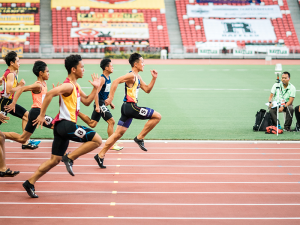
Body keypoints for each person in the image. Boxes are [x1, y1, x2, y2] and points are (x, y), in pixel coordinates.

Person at [22, 54, 102, 198]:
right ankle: (70, 158)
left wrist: (96, 88)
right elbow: (49, 94)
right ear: (73, 69)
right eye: (81, 67)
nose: (84, 70)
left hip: (61, 128)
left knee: (55, 160)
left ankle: (30, 182)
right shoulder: (68, 85)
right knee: (97, 140)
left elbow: (87, 101)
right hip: (66, 126)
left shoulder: (75, 85)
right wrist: (41, 115)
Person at [94, 53, 161, 169]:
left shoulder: (138, 77)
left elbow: (147, 89)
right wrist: (110, 98)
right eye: (142, 62)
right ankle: (140, 138)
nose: (144, 64)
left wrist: (154, 79)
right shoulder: (131, 76)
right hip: (131, 107)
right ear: (135, 64)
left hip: (127, 109)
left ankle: (100, 155)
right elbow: (115, 81)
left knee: (117, 135)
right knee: (157, 116)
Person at [3, 61, 55, 146]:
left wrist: (53, 93)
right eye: (47, 71)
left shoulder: (44, 83)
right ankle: (61, 153)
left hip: (35, 113)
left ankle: (1, 134)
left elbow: (43, 99)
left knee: (22, 139)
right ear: (41, 73)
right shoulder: (38, 85)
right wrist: (13, 103)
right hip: (37, 113)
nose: (49, 73)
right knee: (56, 126)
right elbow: (21, 89)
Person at [78, 58, 123, 151]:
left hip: (103, 103)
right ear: (106, 68)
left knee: (92, 123)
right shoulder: (102, 79)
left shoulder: (108, 77)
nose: (113, 67)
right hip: (100, 103)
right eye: (111, 66)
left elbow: (105, 93)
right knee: (112, 121)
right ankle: (111, 144)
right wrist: (97, 106)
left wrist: (111, 103)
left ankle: (76, 112)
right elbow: (96, 93)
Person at [1, 51, 40, 149]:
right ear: (11, 63)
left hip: (8, 101)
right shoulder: (10, 74)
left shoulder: (14, 72)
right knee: (26, 116)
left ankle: (25, 141)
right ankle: (25, 141)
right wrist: (20, 86)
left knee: (26, 116)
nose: (20, 63)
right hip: (4, 102)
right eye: (18, 61)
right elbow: (9, 90)